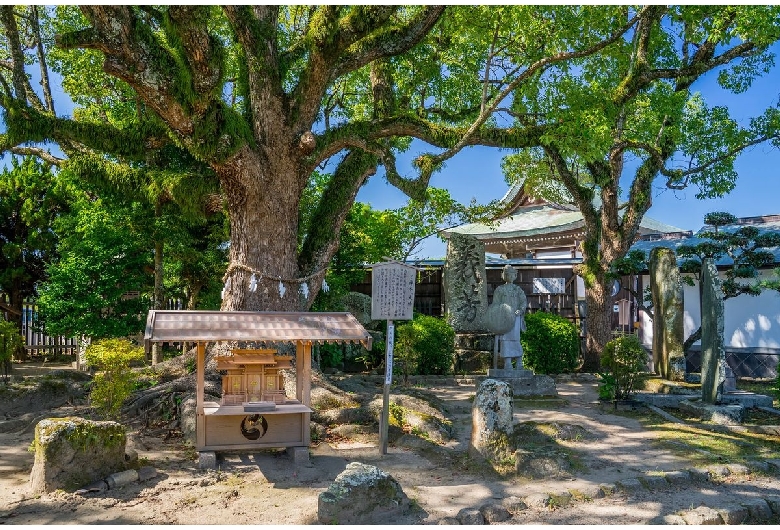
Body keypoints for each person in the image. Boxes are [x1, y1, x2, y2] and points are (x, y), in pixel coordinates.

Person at [486, 265, 527, 370]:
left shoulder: (517, 289)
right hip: (504, 319)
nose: (510, 276)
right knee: (505, 340)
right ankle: (507, 362)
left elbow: (523, 301)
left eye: (512, 274)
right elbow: (495, 304)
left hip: (516, 317)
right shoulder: (500, 290)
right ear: (503, 275)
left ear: (515, 275)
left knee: (516, 339)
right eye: (507, 274)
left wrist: (521, 310)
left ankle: (519, 362)